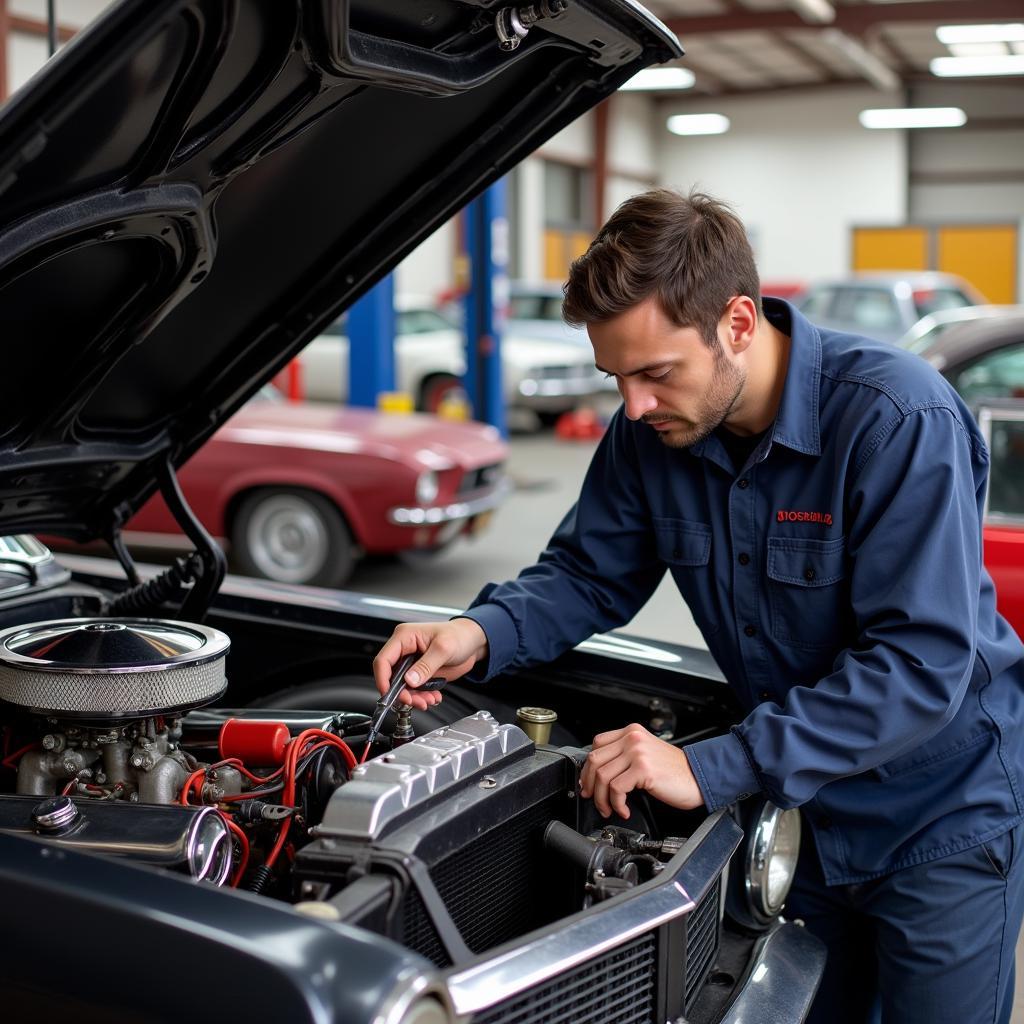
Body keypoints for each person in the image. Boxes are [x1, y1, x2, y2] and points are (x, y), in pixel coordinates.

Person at [372, 189, 1024, 1023]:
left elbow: (921, 665)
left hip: (939, 822)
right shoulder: (651, 433)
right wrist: (476, 631)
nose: (634, 405)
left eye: (656, 373)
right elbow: (588, 574)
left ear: (739, 324)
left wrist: (709, 765)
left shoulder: (897, 418)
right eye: (618, 378)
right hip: (800, 824)